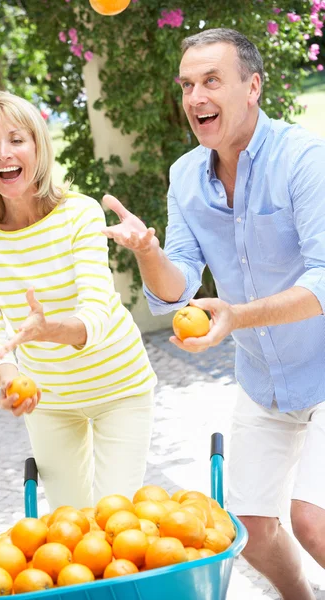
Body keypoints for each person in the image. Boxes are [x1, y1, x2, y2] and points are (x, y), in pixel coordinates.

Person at [102, 28, 325, 600]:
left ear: (252, 87)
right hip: (262, 380)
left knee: (312, 523)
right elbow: (175, 291)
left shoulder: (304, 159)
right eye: (187, 85)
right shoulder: (185, 178)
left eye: (211, 81)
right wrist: (149, 252)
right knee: (248, 530)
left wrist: (237, 317)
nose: (196, 97)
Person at [0, 90, 157, 512]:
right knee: (68, 530)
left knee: (113, 523)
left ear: (38, 147)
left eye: (16, 139)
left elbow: (97, 313)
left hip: (120, 386)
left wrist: (49, 330)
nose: (3, 154)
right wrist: (9, 378)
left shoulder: (79, 213)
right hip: (50, 401)